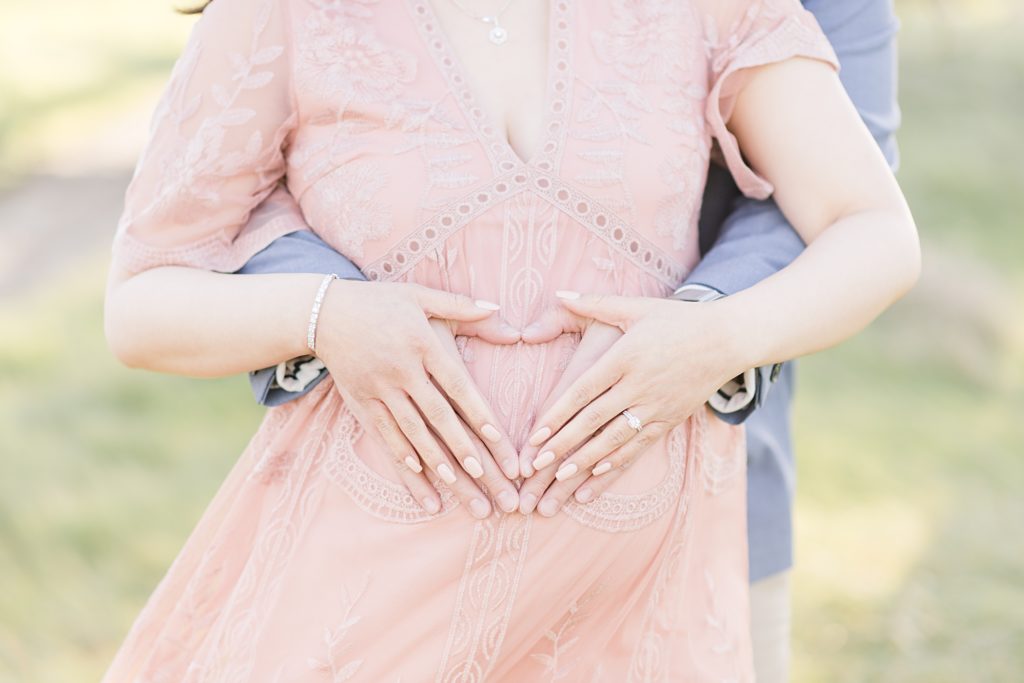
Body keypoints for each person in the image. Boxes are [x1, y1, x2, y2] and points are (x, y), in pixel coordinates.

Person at [101, 0, 919, 680]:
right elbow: (142, 298)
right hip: (369, 604)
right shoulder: (284, 15)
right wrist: (327, 316)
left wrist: (719, 337)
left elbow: (873, 229)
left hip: (639, 611)